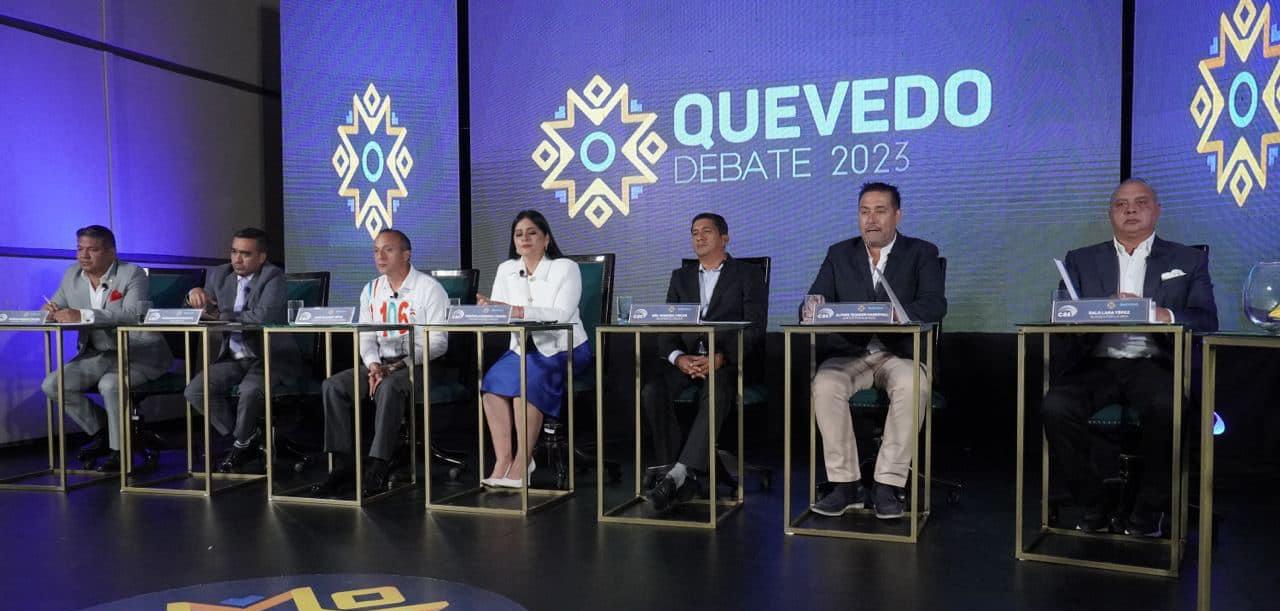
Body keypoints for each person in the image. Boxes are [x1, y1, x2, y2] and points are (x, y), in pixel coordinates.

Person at [1042, 178, 1217, 537]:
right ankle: (1094, 502)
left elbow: (1205, 319)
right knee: (1055, 406)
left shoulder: (1189, 260)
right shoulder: (1080, 260)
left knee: (1169, 407)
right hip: (1098, 362)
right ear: (1111, 214)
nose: (1131, 210)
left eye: (1140, 202)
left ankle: (1148, 511)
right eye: (1121, 204)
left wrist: (1156, 313)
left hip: (1156, 362)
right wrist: (1097, 311)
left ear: (1157, 210)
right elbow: (1062, 317)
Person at [803, 182, 946, 519]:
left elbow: (935, 305)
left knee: (912, 383)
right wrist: (810, 307)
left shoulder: (921, 252)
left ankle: (887, 484)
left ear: (897, 215)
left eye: (880, 211)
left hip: (900, 353)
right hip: (851, 353)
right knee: (825, 384)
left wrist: (894, 314)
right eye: (864, 212)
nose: (871, 219)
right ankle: (845, 484)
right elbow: (815, 298)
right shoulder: (839, 253)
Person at [640, 213, 767, 512]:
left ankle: (678, 475)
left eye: (706, 231)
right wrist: (679, 358)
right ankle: (674, 470)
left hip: (727, 362)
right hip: (687, 361)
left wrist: (722, 357)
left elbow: (755, 329)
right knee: (653, 390)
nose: (699, 237)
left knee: (717, 390)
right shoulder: (680, 277)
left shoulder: (747, 275)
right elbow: (666, 327)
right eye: (694, 232)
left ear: (725, 238)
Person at [311, 229, 449, 497]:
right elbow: (366, 336)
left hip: (418, 365)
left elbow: (438, 343)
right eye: (376, 250)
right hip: (380, 363)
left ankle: (378, 465)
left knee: (389, 386)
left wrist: (397, 366)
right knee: (333, 386)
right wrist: (374, 365)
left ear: (406, 255)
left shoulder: (429, 288)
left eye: (388, 250)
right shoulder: (371, 289)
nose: (380, 256)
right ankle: (343, 464)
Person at [40, 225, 172, 472]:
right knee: (53, 385)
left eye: (92, 250)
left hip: (138, 353)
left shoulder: (132, 273)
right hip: (99, 354)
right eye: (80, 249)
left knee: (110, 385)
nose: (83, 255)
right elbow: (56, 305)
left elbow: (133, 315)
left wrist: (83, 314)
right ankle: (106, 433)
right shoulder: (72, 275)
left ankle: (120, 451)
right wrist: (49, 311)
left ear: (111, 252)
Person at [476, 210, 591, 488]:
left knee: (525, 383)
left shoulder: (565, 268)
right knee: (491, 385)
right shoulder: (506, 269)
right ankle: (503, 461)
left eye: (532, 233)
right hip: (521, 349)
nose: (524, 238)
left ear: (546, 239)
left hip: (563, 347)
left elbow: (561, 315)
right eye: (518, 234)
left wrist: (515, 310)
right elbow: (500, 314)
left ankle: (523, 461)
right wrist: (487, 310)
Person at [183, 227, 301, 473]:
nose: (237, 259)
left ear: (262, 257)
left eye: (246, 254)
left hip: (270, 356)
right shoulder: (220, 274)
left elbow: (262, 317)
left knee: (249, 391)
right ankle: (247, 438)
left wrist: (219, 315)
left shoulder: (273, 277)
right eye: (234, 252)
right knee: (196, 390)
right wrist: (193, 295)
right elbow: (198, 309)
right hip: (235, 357)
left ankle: (241, 444)